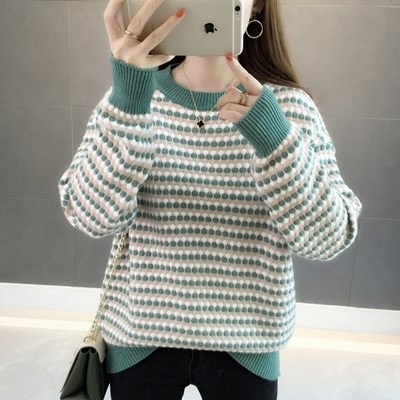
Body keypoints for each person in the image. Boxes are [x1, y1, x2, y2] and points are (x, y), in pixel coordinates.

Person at [59, 0, 362, 399]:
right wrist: (129, 101)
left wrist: (274, 139)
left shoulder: (288, 109)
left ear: (257, 7)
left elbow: (329, 238)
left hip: (247, 342)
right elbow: (89, 216)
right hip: (140, 336)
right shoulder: (131, 97)